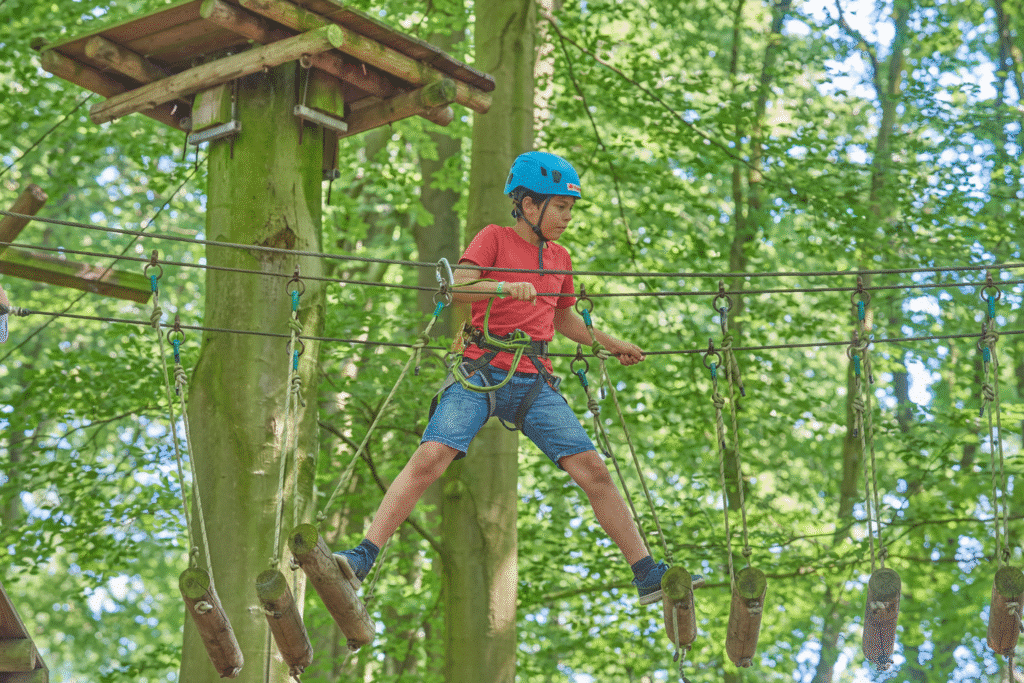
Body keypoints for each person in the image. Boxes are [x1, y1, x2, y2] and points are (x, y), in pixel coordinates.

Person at [334, 151, 685, 605]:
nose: (567, 217)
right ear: (528, 204)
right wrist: (501, 286)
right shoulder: (494, 238)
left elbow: (564, 322)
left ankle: (645, 575)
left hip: (534, 379)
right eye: (560, 207)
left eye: (570, 209)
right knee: (432, 455)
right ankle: (363, 555)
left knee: (594, 471)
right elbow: (458, 286)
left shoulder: (560, 257)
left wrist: (610, 343)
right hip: (481, 369)